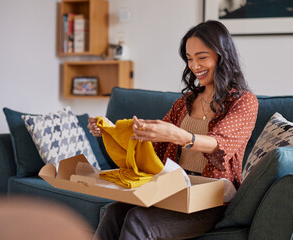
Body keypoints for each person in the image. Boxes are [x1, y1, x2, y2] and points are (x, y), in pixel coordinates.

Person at [88, 20, 258, 240]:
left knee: (138, 220)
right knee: (113, 212)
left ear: (221, 55)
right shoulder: (185, 102)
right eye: (189, 59)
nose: (195, 66)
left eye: (202, 57)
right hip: (172, 191)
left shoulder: (244, 101)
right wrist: (109, 130)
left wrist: (179, 135)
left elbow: (220, 144)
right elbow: (153, 144)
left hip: (212, 201)